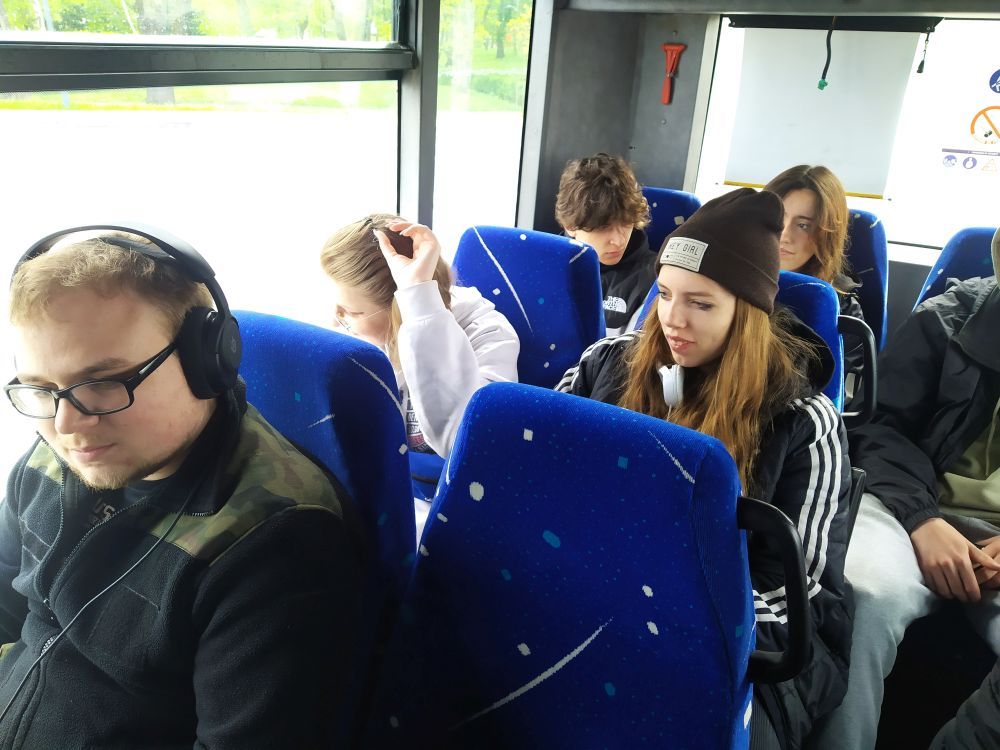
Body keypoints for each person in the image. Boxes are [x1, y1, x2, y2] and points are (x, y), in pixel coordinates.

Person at [0, 228, 364, 748]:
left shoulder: (275, 545)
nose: (66, 425)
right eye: (41, 388)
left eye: (103, 383)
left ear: (206, 360)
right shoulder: (52, 458)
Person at [557, 188, 853, 750]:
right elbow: (542, 483)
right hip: (600, 603)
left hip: (748, 648)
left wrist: (654, 610)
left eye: (701, 303)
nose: (672, 318)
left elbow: (799, 594)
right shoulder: (605, 365)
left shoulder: (802, 422)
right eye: (665, 294)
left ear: (746, 312)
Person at [809, 227, 1000, 750]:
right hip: (913, 501)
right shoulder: (948, 319)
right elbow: (877, 428)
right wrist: (922, 520)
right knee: (865, 594)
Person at [555, 153, 656, 335]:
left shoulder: (655, 279)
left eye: (626, 223)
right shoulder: (545, 270)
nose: (619, 241)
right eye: (603, 227)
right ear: (570, 226)